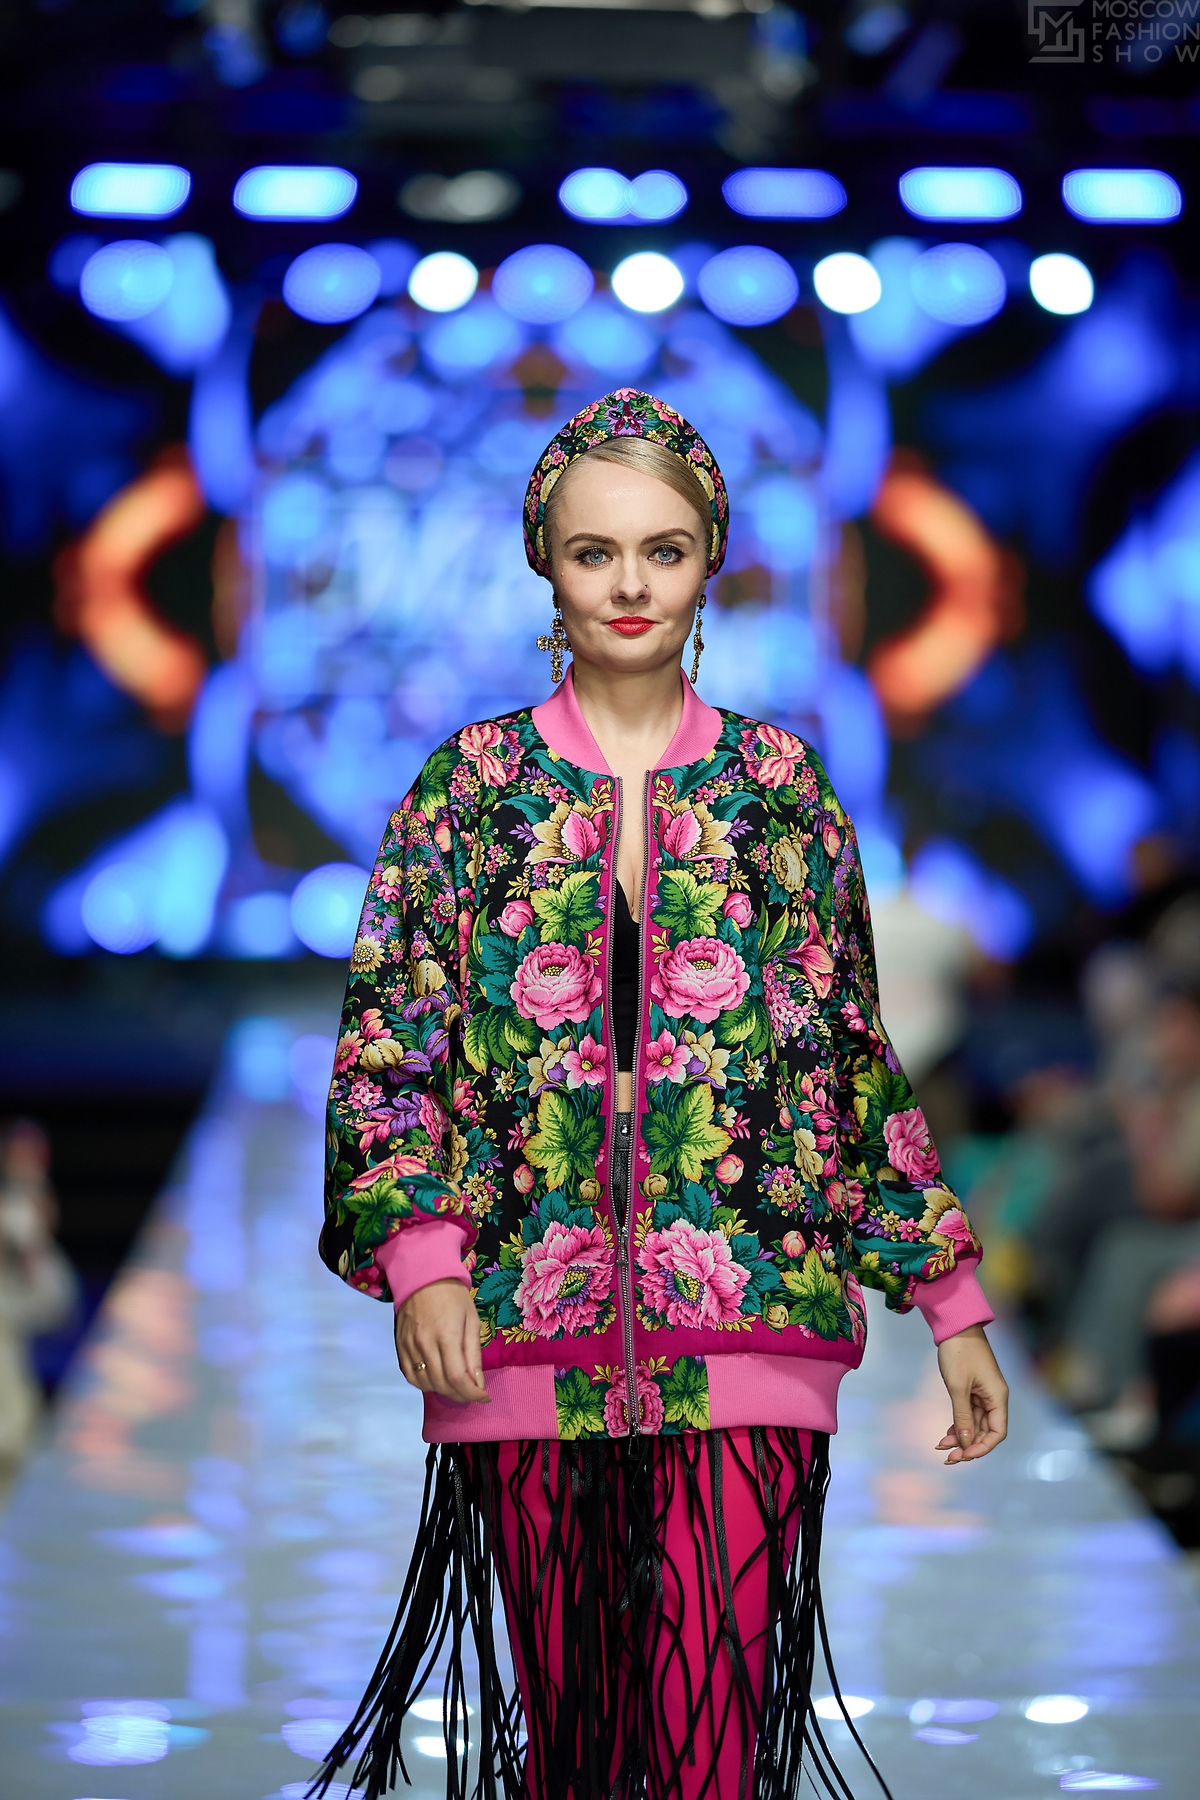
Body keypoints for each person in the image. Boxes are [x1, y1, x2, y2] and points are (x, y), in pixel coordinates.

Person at [312, 390, 1008, 1800]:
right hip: (520, 1329)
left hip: (754, 1318)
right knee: (575, 1745)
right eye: (595, 552)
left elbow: (845, 1057)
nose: (629, 585)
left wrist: (950, 1300)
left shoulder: (778, 789)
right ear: (545, 564)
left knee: (709, 1744)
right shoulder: (469, 790)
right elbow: (391, 1042)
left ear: (711, 565)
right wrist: (424, 1259)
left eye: (664, 550)